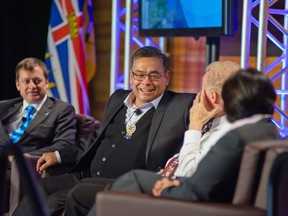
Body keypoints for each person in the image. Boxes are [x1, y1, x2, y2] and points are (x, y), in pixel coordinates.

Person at [12, 46, 195, 216]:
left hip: (120, 186)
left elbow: (210, 107)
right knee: (39, 188)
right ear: (131, 76)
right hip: (86, 176)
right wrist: (58, 155)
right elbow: (95, 139)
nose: (146, 82)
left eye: (154, 76)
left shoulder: (180, 106)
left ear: (167, 77)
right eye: (139, 75)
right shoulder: (117, 98)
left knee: (53, 203)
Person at [88, 68, 279, 215]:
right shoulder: (268, 130)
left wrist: (168, 189)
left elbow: (194, 191)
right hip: (204, 194)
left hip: (195, 204)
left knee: (130, 180)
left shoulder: (235, 139)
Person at [61, 60, 241, 216]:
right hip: (161, 180)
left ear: (212, 96)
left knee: (79, 194)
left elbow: (187, 175)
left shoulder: (225, 133)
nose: (197, 97)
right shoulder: (217, 123)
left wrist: (194, 127)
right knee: (86, 185)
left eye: (201, 90)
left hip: (169, 197)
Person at [0, 57, 76, 213]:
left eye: (37, 81)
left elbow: (64, 144)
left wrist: (21, 158)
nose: (32, 86)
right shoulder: (4, 107)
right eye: (26, 81)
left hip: (22, 168)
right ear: (17, 85)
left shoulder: (62, 110)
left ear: (46, 82)